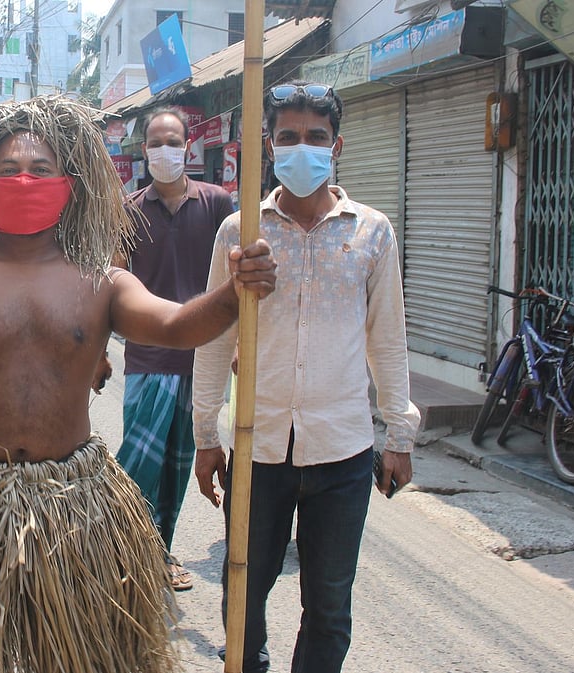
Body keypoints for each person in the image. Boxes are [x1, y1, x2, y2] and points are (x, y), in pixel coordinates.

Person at [0, 95, 278, 673]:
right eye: (9, 170)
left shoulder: (101, 283)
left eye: (40, 170)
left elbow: (176, 326)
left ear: (68, 185)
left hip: (75, 505)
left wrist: (231, 293)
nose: (24, 180)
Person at [191, 81, 421, 673]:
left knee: (329, 607)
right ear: (270, 146)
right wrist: (206, 436)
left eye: (315, 137)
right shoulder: (240, 233)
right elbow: (215, 339)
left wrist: (400, 435)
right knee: (242, 593)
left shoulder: (372, 232)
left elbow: (387, 338)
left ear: (336, 146)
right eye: (288, 137)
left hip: (343, 452)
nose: (302, 148)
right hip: (258, 448)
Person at [113, 106, 236, 592]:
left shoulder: (218, 204)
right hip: (146, 355)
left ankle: (158, 552)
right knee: (137, 463)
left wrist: (238, 345)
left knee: (178, 465)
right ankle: (121, 550)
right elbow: (112, 278)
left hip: (202, 358)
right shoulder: (128, 211)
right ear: (143, 150)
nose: (164, 150)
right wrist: (97, 350)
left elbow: (234, 280)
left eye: (173, 141)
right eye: (155, 142)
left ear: (188, 146)